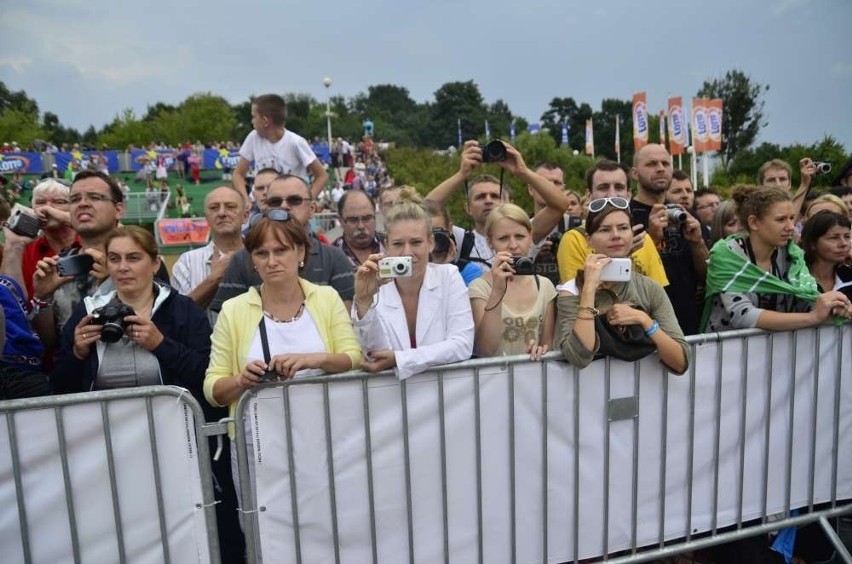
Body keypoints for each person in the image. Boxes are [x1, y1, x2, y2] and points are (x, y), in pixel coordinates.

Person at [203, 214, 361, 429]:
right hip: (257, 443)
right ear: (253, 261)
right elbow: (213, 390)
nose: (272, 262)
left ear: (301, 252)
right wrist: (241, 380)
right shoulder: (233, 310)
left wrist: (313, 360)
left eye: (281, 250)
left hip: (327, 432)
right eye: (261, 253)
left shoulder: (327, 297)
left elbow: (353, 358)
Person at [52, 226, 211, 393]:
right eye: (114, 259)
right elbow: (59, 386)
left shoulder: (183, 310)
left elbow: (205, 375)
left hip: (168, 416)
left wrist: (161, 345)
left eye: (133, 258)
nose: (122, 267)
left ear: (155, 264)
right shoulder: (88, 311)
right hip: (101, 418)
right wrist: (77, 354)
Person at [554, 197, 688, 372]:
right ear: (589, 240)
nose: (616, 235)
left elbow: (681, 362)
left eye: (623, 228)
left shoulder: (650, 288)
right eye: (605, 229)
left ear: (632, 234)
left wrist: (644, 320)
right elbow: (579, 356)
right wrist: (588, 289)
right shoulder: (571, 290)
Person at [351, 188, 474, 379]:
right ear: (386, 245)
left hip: (446, 399)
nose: (407, 252)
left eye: (416, 242)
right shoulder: (374, 285)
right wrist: (364, 300)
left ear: (431, 243)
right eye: (398, 244)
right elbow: (374, 353)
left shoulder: (449, 276)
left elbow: (462, 344)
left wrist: (400, 359)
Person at [702, 186, 852, 332]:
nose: (791, 227)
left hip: (778, 352)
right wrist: (813, 317)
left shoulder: (792, 254)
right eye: (781, 220)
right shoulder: (727, 255)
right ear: (754, 222)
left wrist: (832, 307)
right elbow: (743, 315)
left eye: (792, 218)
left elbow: (804, 300)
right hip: (728, 353)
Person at [210, 174, 355, 312]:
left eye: (294, 200)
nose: (284, 206)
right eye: (275, 202)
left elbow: (345, 321)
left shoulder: (334, 258)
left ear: (312, 209)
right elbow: (231, 324)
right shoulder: (241, 260)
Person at [426, 140, 572, 268]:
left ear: (508, 203)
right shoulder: (461, 239)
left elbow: (561, 204)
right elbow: (425, 209)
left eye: (495, 196)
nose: (488, 200)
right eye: (480, 197)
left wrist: (523, 171)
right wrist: (461, 174)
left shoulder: (523, 231)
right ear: (468, 208)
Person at [630, 144, 708, 335]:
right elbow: (625, 277)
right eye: (651, 164)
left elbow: (707, 276)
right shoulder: (625, 217)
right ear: (634, 173)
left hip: (688, 324)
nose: (660, 168)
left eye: (666, 163)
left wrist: (697, 243)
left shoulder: (686, 214)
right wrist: (652, 238)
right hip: (644, 325)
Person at [556, 160, 668, 286]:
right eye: (603, 188)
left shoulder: (642, 238)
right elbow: (576, 296)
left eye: (619, 187)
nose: (612, 194)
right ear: (589, 195)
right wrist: (621, 255)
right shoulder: (574, 239)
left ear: (629, 194)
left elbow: (659, 297)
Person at [469, 204, 556, 360]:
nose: (513, 245)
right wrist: (496, 291)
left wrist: (540, 350)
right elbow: (485, 349)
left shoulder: (545, 285)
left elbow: (548, 344)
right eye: (503, 238)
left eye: (520, 236)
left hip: (534, 377)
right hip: (493, 380)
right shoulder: (480, 287)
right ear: (490, 242)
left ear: (530, 237)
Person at [172, 185, 248, 326]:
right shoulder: (187, 262)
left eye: (230, 207)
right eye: (214, 208)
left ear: (245, 216)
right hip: (206, 347)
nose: (222, 213)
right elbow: (178, 316)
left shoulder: (262, 256)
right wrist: (214, 278)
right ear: (206, 218)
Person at [232, 94, 328, 199]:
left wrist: (307, 202)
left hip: (287, 204)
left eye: (254, 117)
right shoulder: (253, 137)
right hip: (260, 204)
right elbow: (238, 174)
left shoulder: (295, 142)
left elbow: (322, 176)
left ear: (265, 121)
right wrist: (246, 200)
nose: (252, 121)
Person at [800, 211, 852, 298]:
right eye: (834, 238)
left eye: (847, 237)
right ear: (812, 243)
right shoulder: (795, 277)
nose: (844, 244)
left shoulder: (848, 276)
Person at [332, 190, 385, 266]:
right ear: (340, 221)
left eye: (367, 218)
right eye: (353, 220)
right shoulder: (329, 257)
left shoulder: (390, 246)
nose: (361, 226)